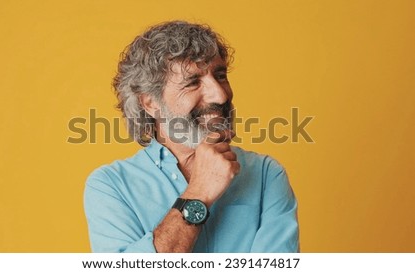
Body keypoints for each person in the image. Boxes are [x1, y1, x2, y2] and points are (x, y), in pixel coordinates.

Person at [84, 21, 299, 253]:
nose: (220, 95)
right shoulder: (110, 186)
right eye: (193, 82)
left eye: (220, 75)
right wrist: (199, 193)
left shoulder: (266, 175)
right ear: (150, 102)